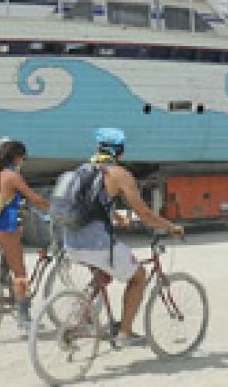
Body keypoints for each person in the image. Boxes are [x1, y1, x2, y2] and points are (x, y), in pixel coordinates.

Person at [64, 128, 183, 347]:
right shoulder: (119, 174)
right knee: (139, 276)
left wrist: (116, 217)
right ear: (120, 150)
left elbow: (89, 205)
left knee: (104, 275)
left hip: (70, 241)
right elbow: (145, 214)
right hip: (96, 244)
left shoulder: (82, 170)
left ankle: (79, 316)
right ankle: (124, 334)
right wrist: (171, 227)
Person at [0, 139, 49, 328]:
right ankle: (24, 318)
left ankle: (3, 276)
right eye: (23, 158)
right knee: (21, 274)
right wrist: (53, 207)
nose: (23, 161)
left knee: (12, 254)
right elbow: (34, 198)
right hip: (4, 230)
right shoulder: (12, 176)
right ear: (17, 157)